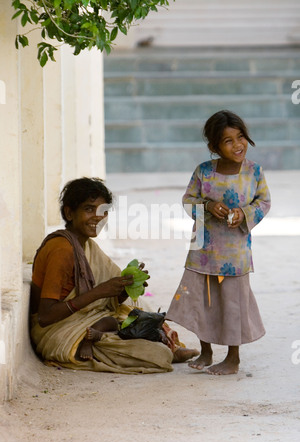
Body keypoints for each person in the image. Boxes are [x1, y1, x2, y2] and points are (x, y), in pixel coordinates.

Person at [30, 177, 198, 374]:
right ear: (69, 212)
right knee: (156, 355)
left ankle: (171, 345)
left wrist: (125, 289)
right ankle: (164, 349)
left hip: (86, 319)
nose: (97, 217)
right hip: (58, 331)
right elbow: (46, 317)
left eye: (104, 211)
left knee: (139, 309)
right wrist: (100, 292)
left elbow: (107, 301)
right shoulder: (61, 249)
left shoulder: (86, 245)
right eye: (89, 209)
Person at [166, 110, 271, 375]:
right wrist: (208, 206)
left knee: (233, 303)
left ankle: (233, 358)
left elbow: (264, 201)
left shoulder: (253, 171)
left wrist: (244, 214)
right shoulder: (203, 172)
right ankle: (207, 351)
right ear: (214, 146)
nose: (238, 145)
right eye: (228, 141)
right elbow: (189, 200)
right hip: (203, 251)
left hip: (235, 253)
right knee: (204, 300)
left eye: (241, 137)